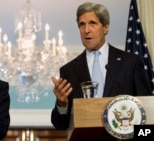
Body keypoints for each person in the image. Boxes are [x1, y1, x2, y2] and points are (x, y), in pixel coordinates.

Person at [50, 1, 152, 140]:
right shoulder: (69, 70)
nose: (86, 30)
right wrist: (62, 104)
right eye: (82, 24)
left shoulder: (131, 62)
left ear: (105, 27)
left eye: (92, 23)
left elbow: (146, 109)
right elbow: (60, 124)